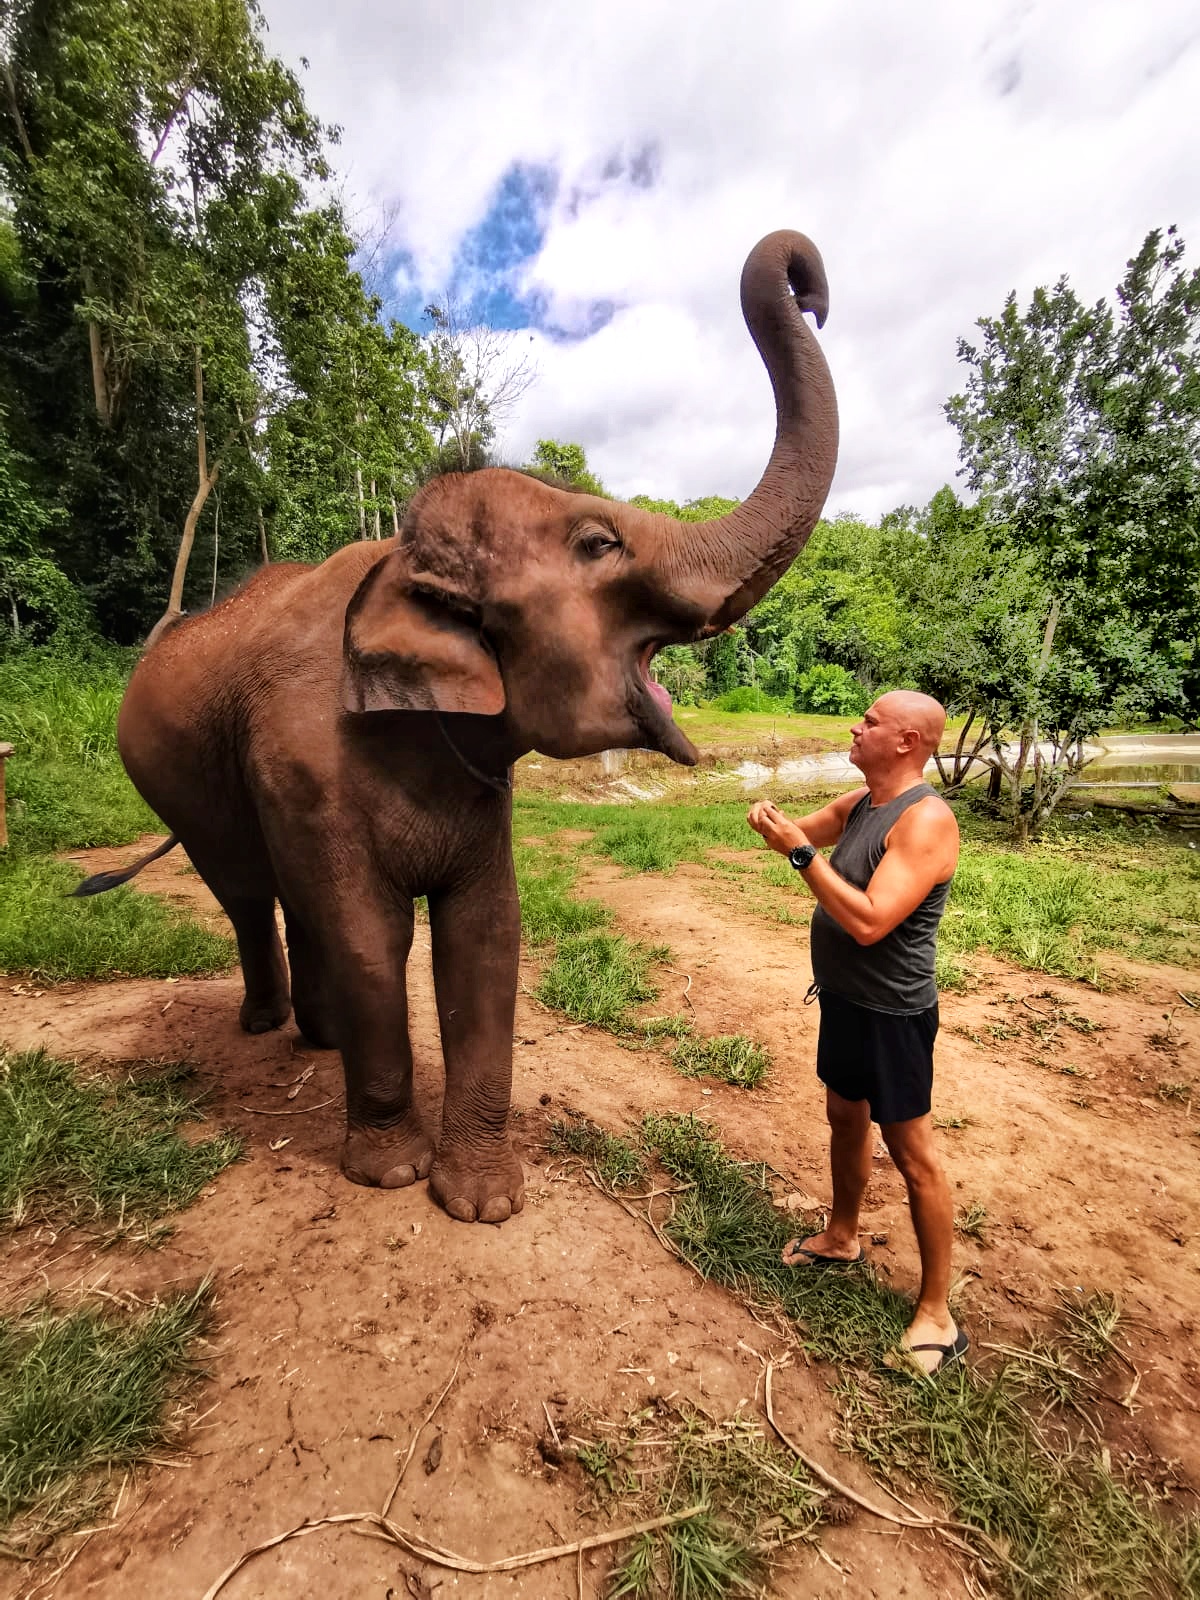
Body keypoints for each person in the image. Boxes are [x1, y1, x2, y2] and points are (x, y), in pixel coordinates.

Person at [747, 690, 965, 1375]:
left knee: (913, 1155)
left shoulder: (926, 821)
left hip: (892, 1015)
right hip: (845, 1001)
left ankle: (938, 1315)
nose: (855, 726)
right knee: (845, 1116)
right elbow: (803, 832)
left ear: (906, 742)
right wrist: (774, 823)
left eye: (869, 721)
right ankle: (842, 1236)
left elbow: (870, 920)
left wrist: (798, 853)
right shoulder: (863, 803)